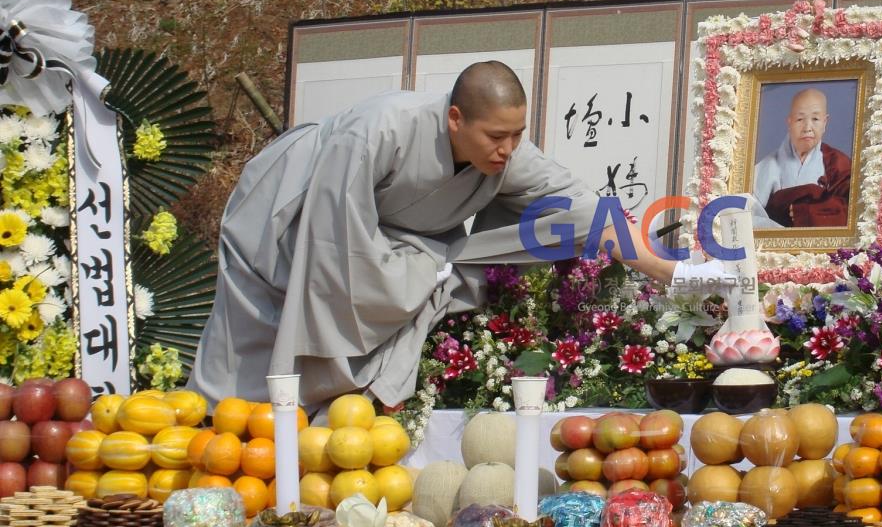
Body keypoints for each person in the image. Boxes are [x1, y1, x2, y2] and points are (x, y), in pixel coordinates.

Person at [188, 61, 723, 411]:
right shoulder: (378, 130)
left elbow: (582, 207)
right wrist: (416, 273)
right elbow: (335, 242)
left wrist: (671, 272)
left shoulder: (503, 153)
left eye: (517, 136)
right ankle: (216, 427)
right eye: (495, 136)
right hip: (286, 218)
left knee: (445, 268)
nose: (506, 150)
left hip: (387, 240)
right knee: (251, 353)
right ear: (454, 119)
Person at [752, 86, 852, 228]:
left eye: (815, 119)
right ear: (789, 122)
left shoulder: (837, 163)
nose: (807, 127)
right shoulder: (769, 165)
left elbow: (851, 211)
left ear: (825, 123)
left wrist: (807, 212)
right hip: (773, 245)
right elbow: (747, 212)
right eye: (800, 119)